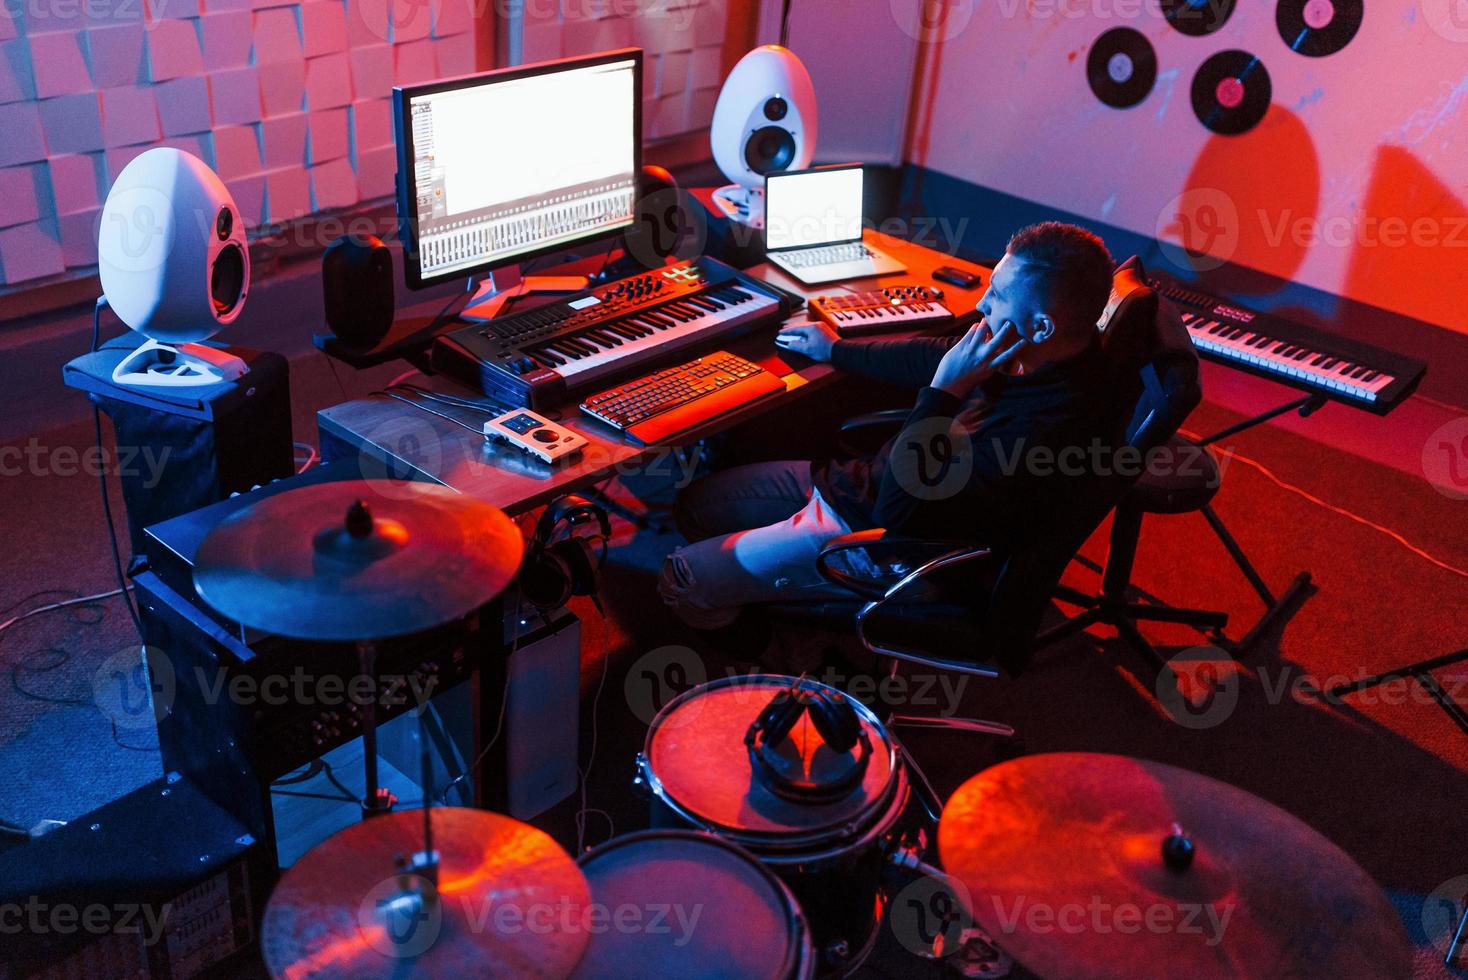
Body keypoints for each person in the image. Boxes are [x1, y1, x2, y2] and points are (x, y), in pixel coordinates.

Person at [658, 221, 1127, 629]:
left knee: (681, 578)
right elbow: (936, 354)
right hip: (861, 483)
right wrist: (835, 350)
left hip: (889, 544)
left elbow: (896, 514)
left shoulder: (1040, 434)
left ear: (1042, 326)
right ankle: (768, 581)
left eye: (998, 295)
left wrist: (945, 393)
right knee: (695, 509)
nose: (983, 304)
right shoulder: (1038, 355)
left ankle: (761, 658)